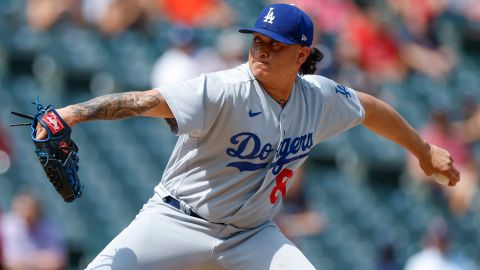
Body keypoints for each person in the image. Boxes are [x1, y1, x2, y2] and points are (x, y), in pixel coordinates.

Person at [35, 4, 460, 269]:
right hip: (178, 218)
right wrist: (72, 113)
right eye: (257, 39)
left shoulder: (320, 97)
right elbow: (144, 102)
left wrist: (423, 151)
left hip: (251, 234)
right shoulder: (223, 89)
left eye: (273, 44)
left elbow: (369, 107)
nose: (260, 48)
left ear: (301, 55)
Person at [1, 190, 67, 270]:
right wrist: (39, 259)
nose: (27, 212)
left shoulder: (50, 226)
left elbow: (58, 261)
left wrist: (25, 262)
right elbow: (8, 262)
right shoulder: (7, 226)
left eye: (29, 208)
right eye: (23, 207)